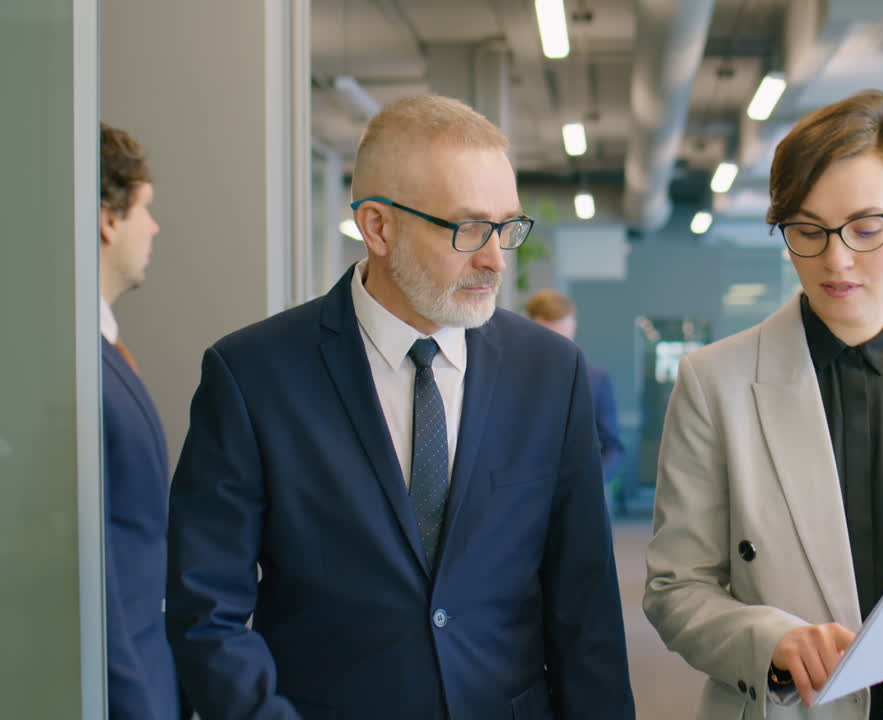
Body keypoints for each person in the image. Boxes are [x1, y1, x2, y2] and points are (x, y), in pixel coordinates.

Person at [166, 95, 635, 719]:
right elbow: (206, 609)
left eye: (508, 227)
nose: (495, 258)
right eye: (468, 228)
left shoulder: (551, 373)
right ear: (379, 227)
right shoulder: (254, 375)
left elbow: (586, 607)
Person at [643, 89, 883, 720]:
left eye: (865, 226)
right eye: (807, 230)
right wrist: (770, 642)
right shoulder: (713, 380)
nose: (836, 258)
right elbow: (675, 587)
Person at [99, 122, 184, 719]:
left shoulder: (101, 355)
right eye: (145, 210)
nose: (153, 228)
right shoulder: (74, 371)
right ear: (108, 217)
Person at [525, 289, 625, 484]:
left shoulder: (596, 379)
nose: (557, 347)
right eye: (549, 338)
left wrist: (592, 484)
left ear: (574, 328)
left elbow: (612, 446)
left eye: (564, 338)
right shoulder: (509, 375)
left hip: (580, 492)